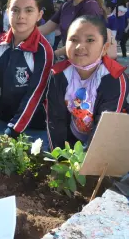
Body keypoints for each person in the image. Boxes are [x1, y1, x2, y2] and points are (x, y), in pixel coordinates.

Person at [0, 0, 53, 146]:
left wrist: (13, 131)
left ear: (39, 15)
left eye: (29, 10)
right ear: (7, 12)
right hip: (1, 120)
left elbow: (35, 95)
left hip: (33, 127)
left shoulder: (43, 50)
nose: (21, 16)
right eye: (15, 10)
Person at [46, 15, 128, 150]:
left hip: (110, 144)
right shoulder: (57, 75)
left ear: (105, 48)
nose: (79, 46)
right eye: (73, 39)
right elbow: (56, 121)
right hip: (74, 139)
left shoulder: (115, 78)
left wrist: (87, 165)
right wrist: (60, 157)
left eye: (90, 40)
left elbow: (104, 128)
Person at [39, 0, 106, 58]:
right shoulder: (66, 6)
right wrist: (22, 33)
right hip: (70, 59)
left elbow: (81, 41)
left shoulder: (90, 7)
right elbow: (45, 28)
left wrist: (54, 54)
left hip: (85, 62)